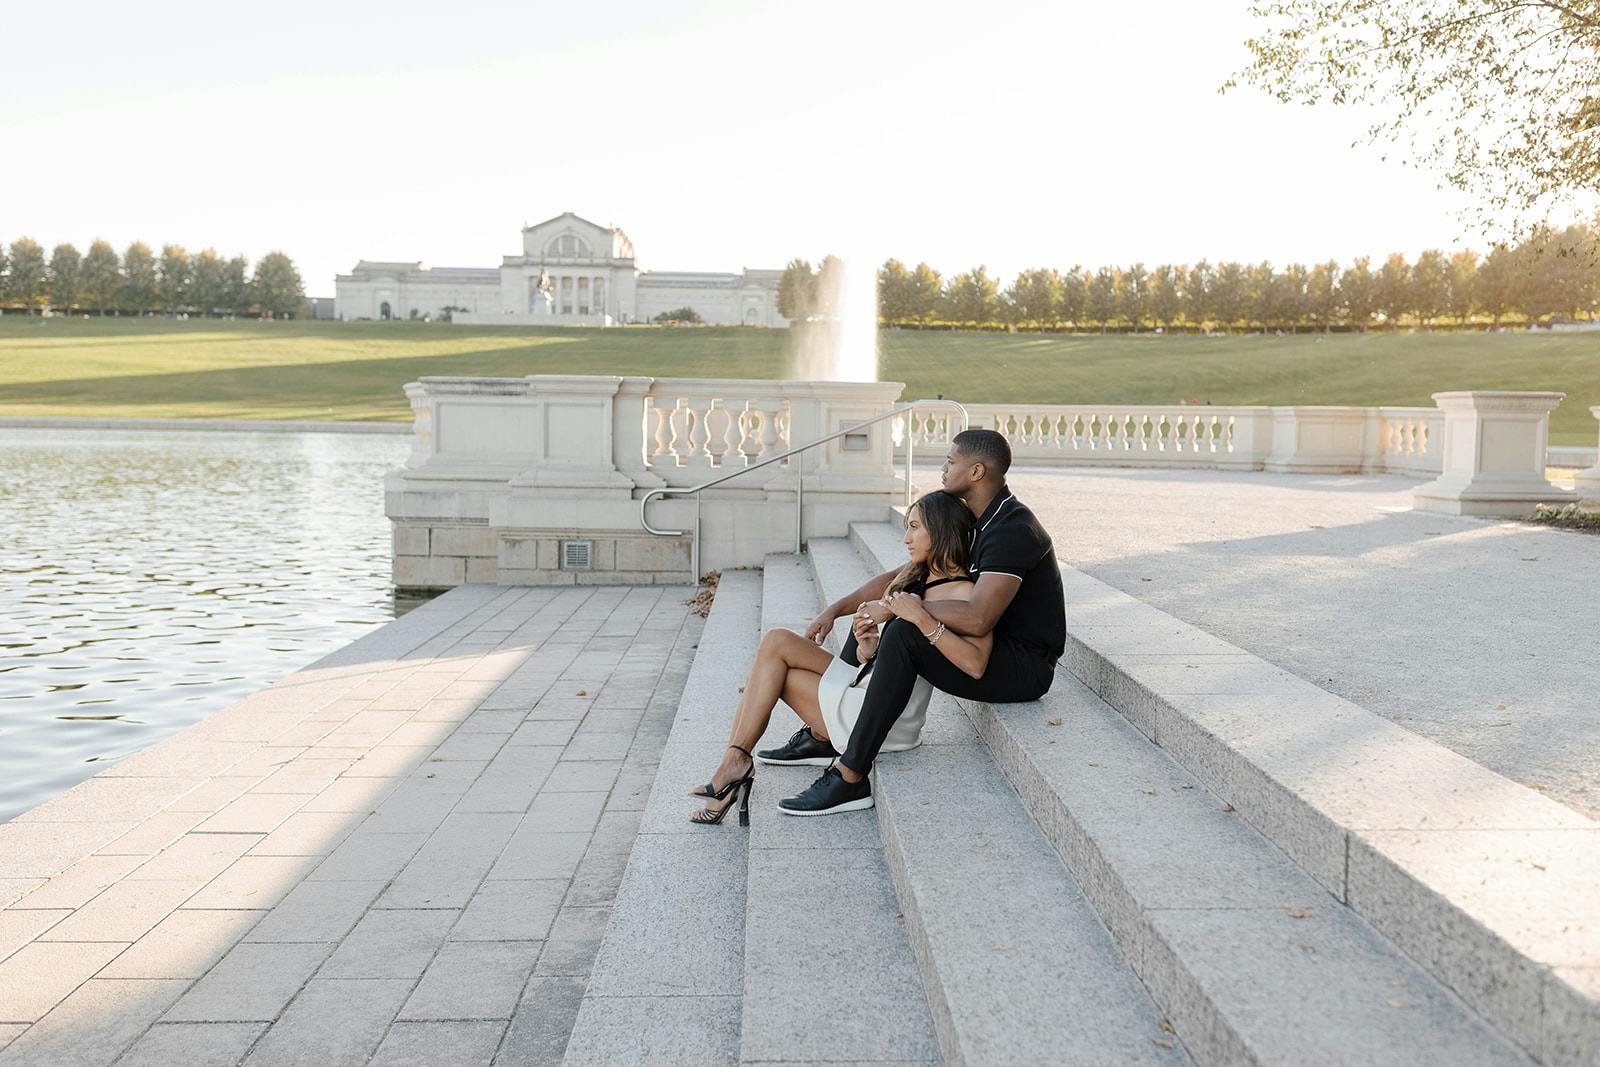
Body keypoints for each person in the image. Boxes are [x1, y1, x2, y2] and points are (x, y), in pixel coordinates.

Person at [778, 428, 1065, 815]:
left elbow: (978, 617)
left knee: (904, 631)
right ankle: (827, 730)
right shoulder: (975, 519)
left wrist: (900, 608)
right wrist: (838, 609)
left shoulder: (1012, 529)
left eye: (951, 461)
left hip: (1022, 667)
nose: (943, 468)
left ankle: (850, 774)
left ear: (976, 471)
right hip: (992, 647)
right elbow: (904, 574)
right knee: (891, 614)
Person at [687, 492, 991, 825]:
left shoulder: (963, 593)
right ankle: (735, 762)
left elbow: (975, 663)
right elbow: (896, 661)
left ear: (941, 530)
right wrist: (867, 649)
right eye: (907, 527)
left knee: (775, 675)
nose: (906, 538)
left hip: (887, 723)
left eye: (915, 528)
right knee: (776, 641)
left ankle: (736, 767)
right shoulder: (919, 576)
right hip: (868, 697)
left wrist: (919, 617)